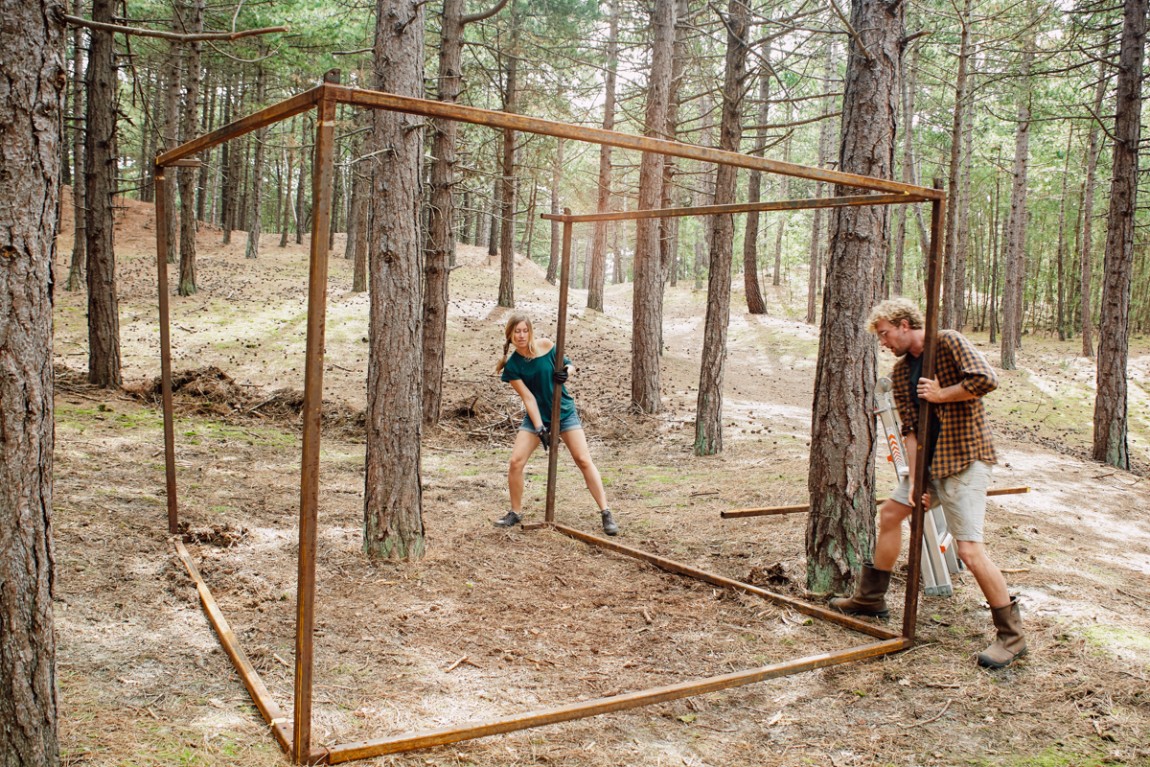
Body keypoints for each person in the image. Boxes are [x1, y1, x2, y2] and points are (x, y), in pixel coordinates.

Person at [830, 297, 1027, 669]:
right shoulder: (903, 371)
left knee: (969, 551)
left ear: (905, 324)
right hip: (930, 466)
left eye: (886, 333)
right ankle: (871, 599)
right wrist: (917, 479)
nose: (884, 342)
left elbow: (986, 380)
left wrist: (942, 394)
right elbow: (910, 430)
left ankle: (1012, 636)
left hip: (964, 461)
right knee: (890, 514)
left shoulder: (947, 342)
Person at [493, 314, 619, 536]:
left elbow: (570, 365)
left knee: (582, 459)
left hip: (564, 412)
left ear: (530, 331)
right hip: (536, 416)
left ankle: (606, 512)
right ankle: (515, 512)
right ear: (510, 335)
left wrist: (566, 373)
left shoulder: (546, 345)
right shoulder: (512, 366)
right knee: (515, 462)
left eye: (524, 330)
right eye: (517, 332)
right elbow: (528, 398)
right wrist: (540, 427)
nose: (521, 335)